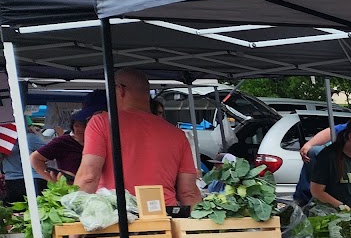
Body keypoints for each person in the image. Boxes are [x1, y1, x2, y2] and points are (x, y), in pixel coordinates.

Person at [76, 69, 201, 207]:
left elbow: (89, 177)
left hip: (117, 217)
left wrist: (73, 211)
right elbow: (188, 193)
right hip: (163, 217)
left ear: (119, 90)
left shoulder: (101, 122)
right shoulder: (177, 134)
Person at [31, 92, 107, 185]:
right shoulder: (64, 142)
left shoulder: (107, 141)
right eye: (76, 124)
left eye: (85, 124)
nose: (79, 128)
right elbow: (35, 158)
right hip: (75, 191)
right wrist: (55, 182)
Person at [0, 111, 46, 204]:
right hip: (32, 179)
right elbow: (50, 152)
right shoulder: (29, 138)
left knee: (17, 213)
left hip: (13, 180)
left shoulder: (4, 139)